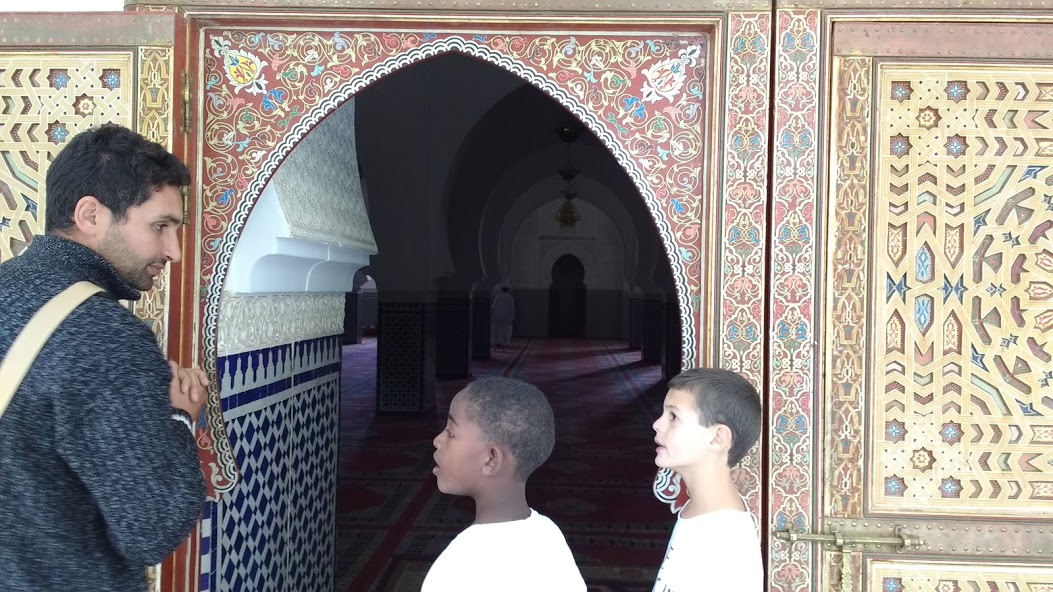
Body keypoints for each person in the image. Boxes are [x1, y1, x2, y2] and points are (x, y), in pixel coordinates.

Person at [0, 123, 208, 592]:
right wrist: (179, 419)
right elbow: (152, 527)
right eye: (160, 227)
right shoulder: (106, 338)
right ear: (90, 215)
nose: (174, 251)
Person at [424, 376, 586, 592]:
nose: (437, 440)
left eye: (451, 433)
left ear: (490, 460)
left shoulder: (458, 568)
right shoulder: (549, 533)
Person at [651, 368, 763, 592]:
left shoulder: (724, 551)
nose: (657, 424)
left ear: (717, 438)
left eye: (673, 417)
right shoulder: (699, 510)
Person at [491, 286, 515, 350]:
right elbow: (512, 308)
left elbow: (494, 306)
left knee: (496, 331)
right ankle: (503, 347)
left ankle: (494, 346)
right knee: (504, 332)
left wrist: (492, 315)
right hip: (506, 317)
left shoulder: (497, 296)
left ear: (501, 289)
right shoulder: (510, 298)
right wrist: (512, 317)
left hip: (497, 316)